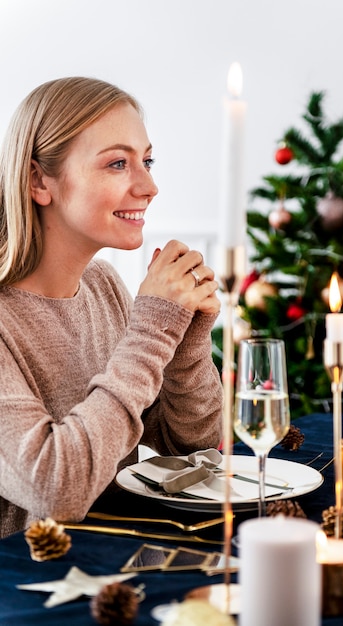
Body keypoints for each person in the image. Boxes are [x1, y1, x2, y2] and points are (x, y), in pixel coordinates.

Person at [0, 76, 223, 538]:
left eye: (147, 160)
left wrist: (185, 342)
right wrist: (154, 331)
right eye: (118, 163)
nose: (149, 186)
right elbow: (55, 489)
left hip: (116, 570)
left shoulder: (102, 285)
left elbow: (191, 444)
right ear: (39, 180)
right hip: (24, 592)